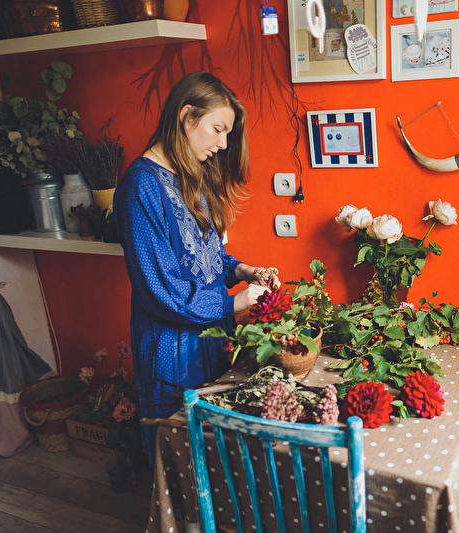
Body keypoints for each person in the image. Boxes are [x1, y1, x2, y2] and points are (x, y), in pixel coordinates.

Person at [113, 71, 278, 463]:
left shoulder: (192, 175)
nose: (223, 144)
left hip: (213, 335)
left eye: (227, 134)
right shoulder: (140, 186)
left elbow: (205, 257)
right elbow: (160, 290)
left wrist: (243, 271)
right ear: (187, 116)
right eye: (218, 130)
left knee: (218, 449)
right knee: (183, 453)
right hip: (173, 346)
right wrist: (233, 304)